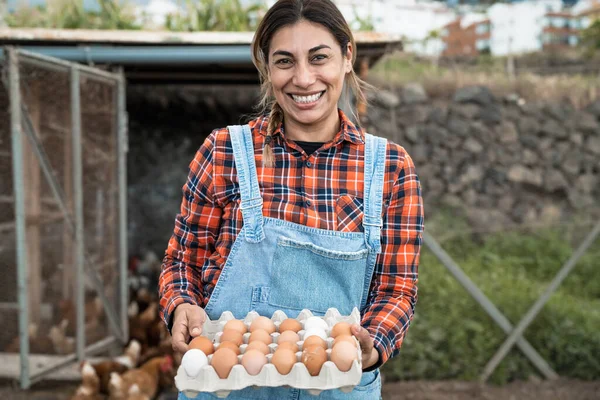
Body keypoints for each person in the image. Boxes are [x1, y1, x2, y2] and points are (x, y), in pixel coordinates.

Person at [159, 0, 424, 398]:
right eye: (284, 61)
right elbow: (182, 262)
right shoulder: (224, 152)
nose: (303, 78)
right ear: (267, 68)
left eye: (319, 58)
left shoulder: (389, 167)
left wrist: (372, 346)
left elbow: (397, 288)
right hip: (228, 388)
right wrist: (181, 305)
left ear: (347, 57)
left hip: (340, 386)